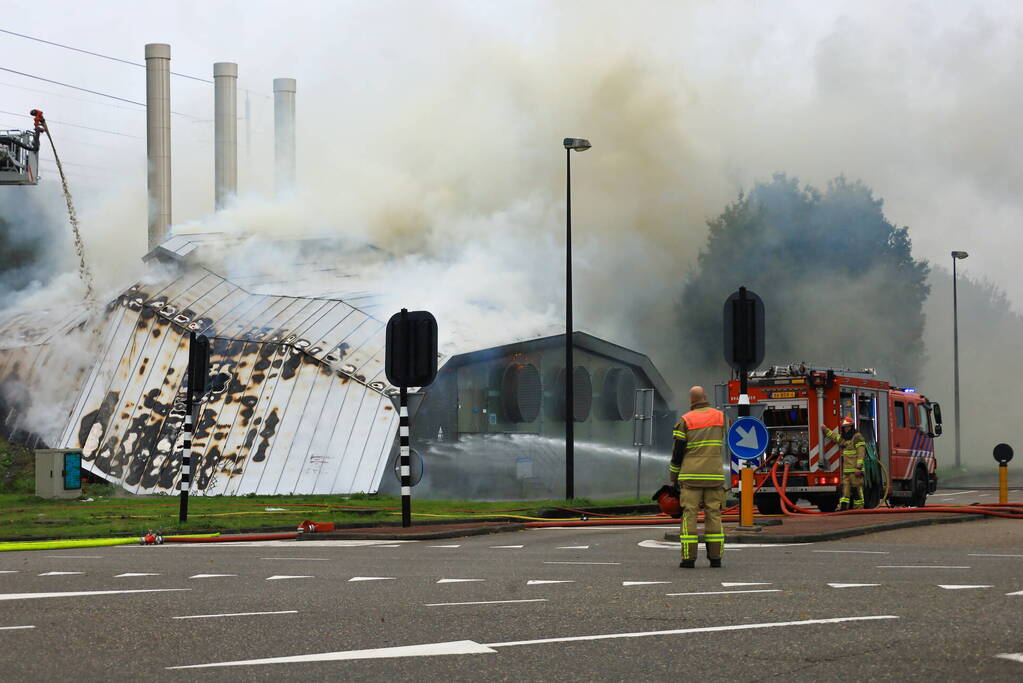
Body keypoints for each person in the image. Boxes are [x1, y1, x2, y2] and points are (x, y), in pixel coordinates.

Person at [668, 386, 726, 568]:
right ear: (705, 397)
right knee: (714, 514)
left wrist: (673, 476)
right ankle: (715, 558)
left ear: (691, 400)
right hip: (714, 476)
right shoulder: (720, 417)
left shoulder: (685, 420)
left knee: (689, 515)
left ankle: (688, 558)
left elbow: (677, 453)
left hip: (691, 477)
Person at [823, 416, 866, 510]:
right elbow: (835, 437)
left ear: (852, 427)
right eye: (845, 427)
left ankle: (859, 508)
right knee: (845, 492)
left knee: (856, 490)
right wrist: (825, 430)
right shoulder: (845, 438)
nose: (846, 429)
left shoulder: (857, 437)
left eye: (848, 427)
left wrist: (859, 468)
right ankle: (843, 508)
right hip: (846, 471)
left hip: (855, 471)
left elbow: (861, 453)